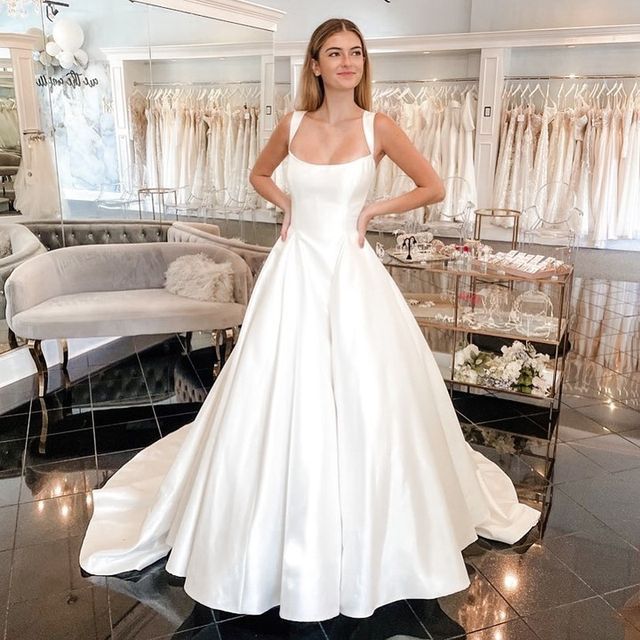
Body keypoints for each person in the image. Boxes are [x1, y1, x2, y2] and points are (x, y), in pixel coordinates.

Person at [80, 18, 539, 623]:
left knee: (365, 392)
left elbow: (433, 186)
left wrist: (375, 206)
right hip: (294, 270)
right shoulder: (291, 124)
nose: (346, 62)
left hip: (351, 273)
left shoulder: (380, 125)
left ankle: (376, 529)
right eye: (334, 53)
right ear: (315, 64)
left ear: (361, 63)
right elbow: (258, 174)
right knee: (278, 389)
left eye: (355, 52)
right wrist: (289, 202)